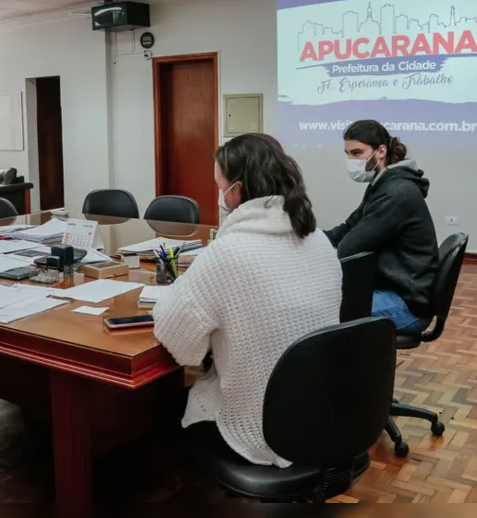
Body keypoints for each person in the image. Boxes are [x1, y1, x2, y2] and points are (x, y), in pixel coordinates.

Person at [152, 133, 342, 467]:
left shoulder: (229, 253)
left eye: (219, 186)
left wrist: (168, 297)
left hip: (258, 427)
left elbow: (180, 344)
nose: (219, 196)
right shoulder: (319, 241)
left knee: (159, 416)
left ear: (236, 190)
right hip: (319, 411)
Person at [325, 119, 439, 335]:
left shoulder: (396, 192)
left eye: (357, 153)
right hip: (393, 289)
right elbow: (348, 227)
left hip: (406, 305)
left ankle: (353, 368)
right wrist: (310, 237)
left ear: (381, 151)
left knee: (322, 309)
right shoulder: (384, 184)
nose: (351, 160)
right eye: (347, 154)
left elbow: (348, 248)